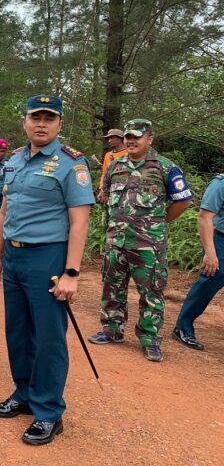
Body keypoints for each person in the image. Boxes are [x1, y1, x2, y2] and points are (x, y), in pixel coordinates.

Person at [0, 95, 94, 446]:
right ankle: (24, 394)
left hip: (48, 259)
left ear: (60, 124)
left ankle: (48, 411)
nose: (42, 124)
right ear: (25, 122)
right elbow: (5, 211)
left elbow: (79, 221)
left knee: (48, 337)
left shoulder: (70, 164)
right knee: (17, 331)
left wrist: (72, 273)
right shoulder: (15, 160)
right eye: (36, 117)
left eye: (50, 118)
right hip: (15, 258)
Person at [88, 119, 192, 362]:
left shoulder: (165, 167)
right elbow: (104, 195)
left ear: (150, 139)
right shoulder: (115, 165)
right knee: (112, 287)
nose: (131, 141)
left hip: (149, 245)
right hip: (117, 241)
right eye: (128, 137)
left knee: (152, 293)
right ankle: (112, 330)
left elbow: (183, 201)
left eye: (137, 136)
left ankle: (149, 339)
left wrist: (161, 223)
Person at [173, 174, 224, 350]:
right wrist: (210, 252)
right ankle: (183, 327)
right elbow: (205, 217)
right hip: (220, 239)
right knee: (211, 278)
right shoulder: (220, 184)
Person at [96, 129, 126, 204]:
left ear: (120, 139)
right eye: (108, 138)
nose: (109, 140)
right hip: (110, 192)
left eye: (112, 138)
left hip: (125, 192)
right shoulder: (108, 155)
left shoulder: (128, 153)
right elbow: (104, 174)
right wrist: (102, 190)